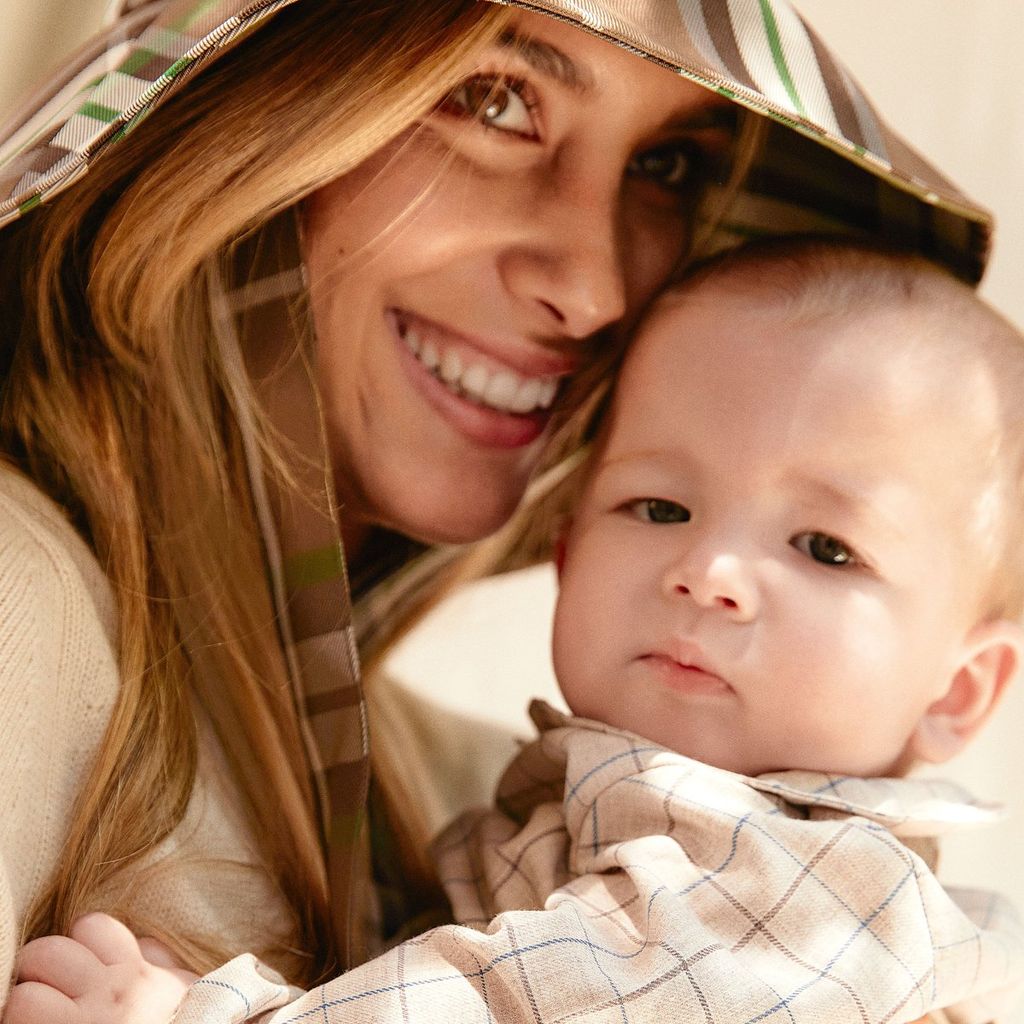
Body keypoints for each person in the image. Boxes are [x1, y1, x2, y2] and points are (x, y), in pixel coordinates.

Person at [0, 0, 997, 1019]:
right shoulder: (18, 608)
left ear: (965, 686)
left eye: (666, 168)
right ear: (251, 108)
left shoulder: (489, 789)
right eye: (492, 101)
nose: (599, 288)